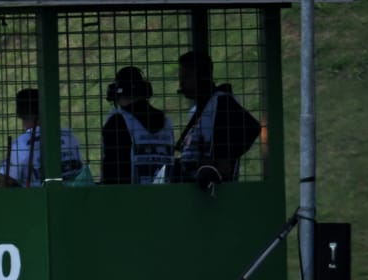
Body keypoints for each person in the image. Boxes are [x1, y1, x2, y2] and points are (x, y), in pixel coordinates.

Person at [174, 51, 262, 188]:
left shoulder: (221, 102)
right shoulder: (199, 110)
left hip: (215, 191)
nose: (181, 83)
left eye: (186, 77)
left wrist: (220, 161)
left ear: (201, 76)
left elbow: (252, 128)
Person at [100, 66, 174, 185]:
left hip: (128, 198)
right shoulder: (166, 122)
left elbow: (112, 172)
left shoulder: (118, 121)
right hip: (163, 196)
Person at [0, 87, 84, 187]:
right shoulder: (70, 137)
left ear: (19, 113)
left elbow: (2, 186)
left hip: (35, 201)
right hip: (76, 199)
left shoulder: (20, 145)